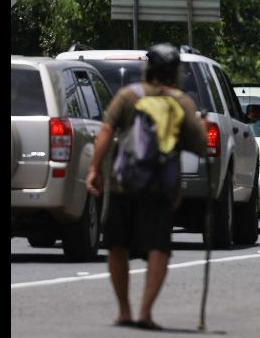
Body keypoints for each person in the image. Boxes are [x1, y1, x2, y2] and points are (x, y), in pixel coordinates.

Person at [86, 43, 207, 331]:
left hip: (122, 183)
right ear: (175, 73)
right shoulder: (182, 102)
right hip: (162, 188)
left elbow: (106, 131)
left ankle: (124, 311)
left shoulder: (129, 95)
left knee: (117, 245)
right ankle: (145, 312)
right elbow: (200, 147)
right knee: (158, 248)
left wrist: (94, 169)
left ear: (148, 68)